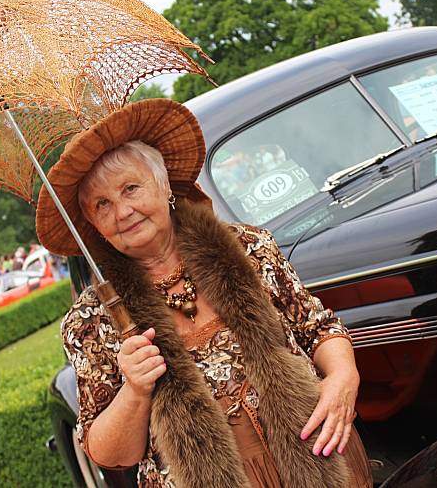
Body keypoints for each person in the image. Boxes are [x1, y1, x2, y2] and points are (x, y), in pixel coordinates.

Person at [35, 99, 371, 487]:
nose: (123, 211)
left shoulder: (246, 246)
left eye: (131, 188)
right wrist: (135, 387)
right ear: (94, 225)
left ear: (164, 187)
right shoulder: (90, 321)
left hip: (320, 458)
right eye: (102, 204)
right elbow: (113, 455)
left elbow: (317, 326)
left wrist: (344, 376)